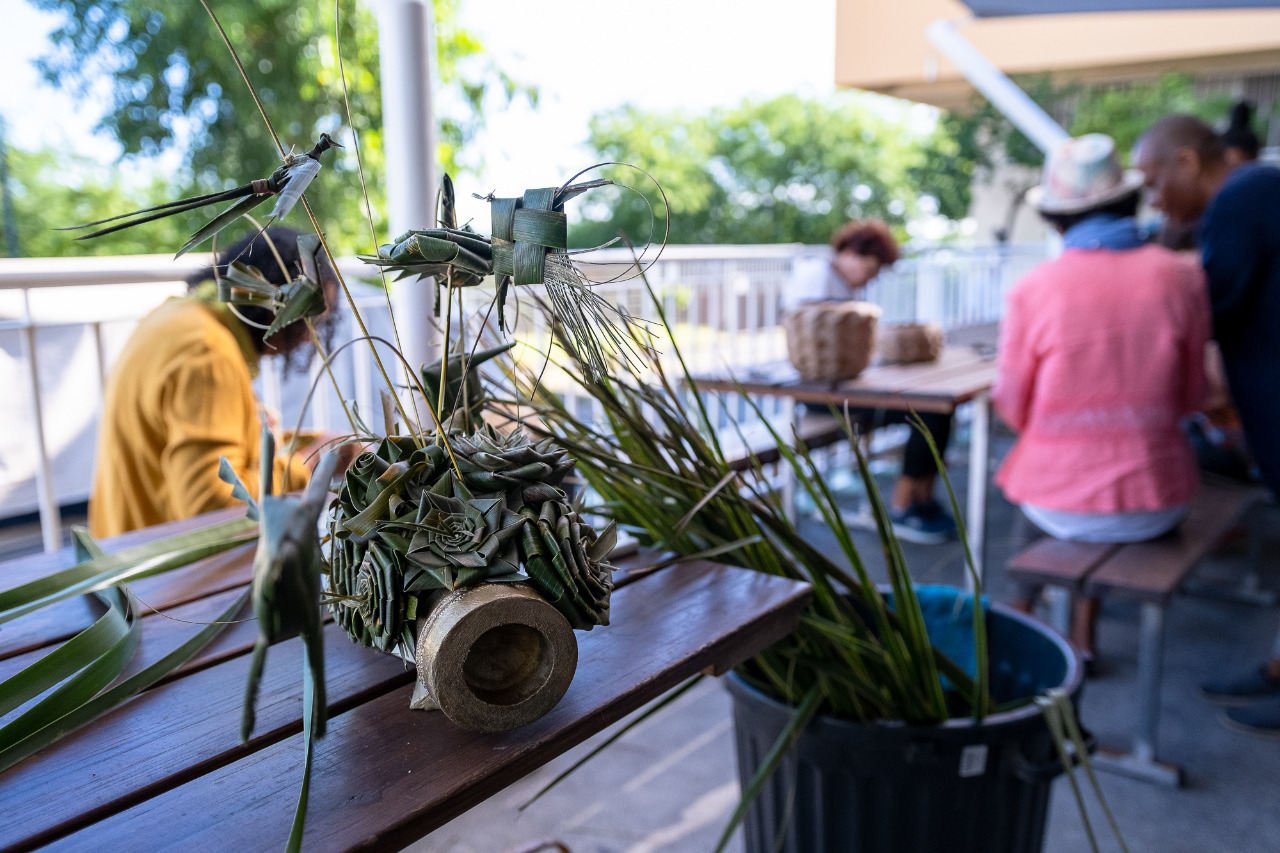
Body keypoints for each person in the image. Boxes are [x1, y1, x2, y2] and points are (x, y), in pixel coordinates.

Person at [995, 134, 1210, 659]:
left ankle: (1015, 632)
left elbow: (1012, 407)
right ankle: (1084, 639)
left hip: (1058, 503)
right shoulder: (1182, 277)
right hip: (1157, 501)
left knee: (1042, 503)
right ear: (1130, 201)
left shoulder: (1035, 288)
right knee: (1100, 501)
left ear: (1057, 220)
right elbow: (1192, 396)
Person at [1136, 114, 1280, 736]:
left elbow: (1206, 310)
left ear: (1188, 163)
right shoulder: (1260, 191)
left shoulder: (1243, 198)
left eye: (1152, 179)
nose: (1152, 196)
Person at [89, 227, 346, 538]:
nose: (310, 337)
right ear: (279, 303)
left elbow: (207, 445)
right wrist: (314, 462)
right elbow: (212, 506)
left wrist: (317, 442)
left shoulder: (179, 317)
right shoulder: (207, 353)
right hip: (156, 574)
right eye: (311, 319)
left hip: (117, 548)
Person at [786, 219, 958, 544]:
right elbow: (821, 334)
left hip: (845, 387)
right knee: (930, 412)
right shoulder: (817, 276)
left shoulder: (841, 283)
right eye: (872, 267)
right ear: (853, 253)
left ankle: (922, 499)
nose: (871, 276)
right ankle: (903, 506)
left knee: (940, 410)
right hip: (819, 392)